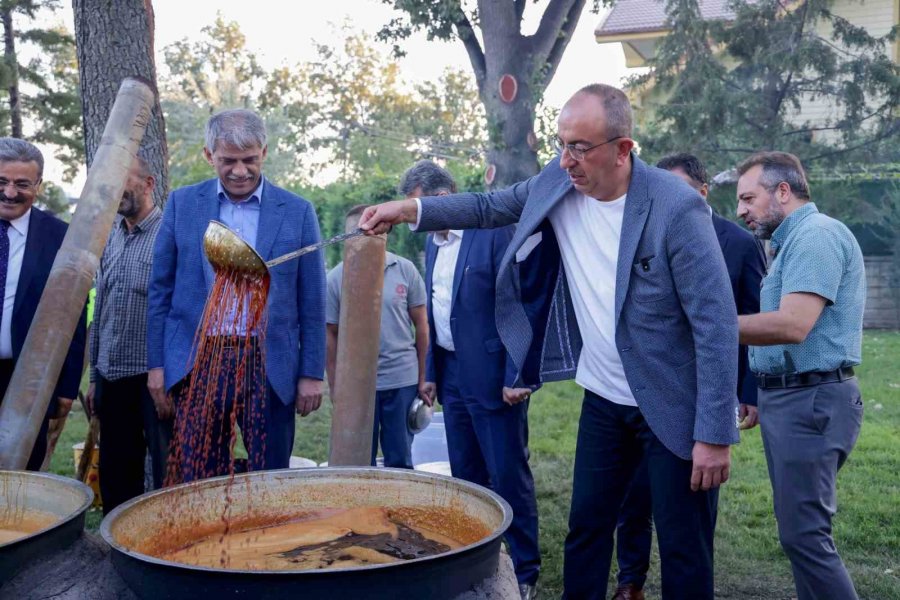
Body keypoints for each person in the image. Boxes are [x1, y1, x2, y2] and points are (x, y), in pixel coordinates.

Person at [360, 84, 740, 600]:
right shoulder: (556, 185)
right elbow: (489, 205)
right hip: (604, 397)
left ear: (624, 148)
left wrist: (715, 433)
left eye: (580, 147)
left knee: (682, 546)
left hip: (673, 401)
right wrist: (409, 211)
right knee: (586, 528)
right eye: (562, 144)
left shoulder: (674, 207)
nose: (567, 160)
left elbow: (716, 322)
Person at [609, 153, 767, 599]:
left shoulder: (737, 243)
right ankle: (630, 580)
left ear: (701, 192)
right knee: (633, 495)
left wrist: (747, 392)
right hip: (641, 388)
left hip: (700, 393)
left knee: (688, 510)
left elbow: (750, 317)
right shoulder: (638, 232)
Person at [147, 109, 325, 481]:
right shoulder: (182, 204)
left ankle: (269, 537)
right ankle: (208, 537)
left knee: (271, 473)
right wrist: (158, 366)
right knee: (200, 475)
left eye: (250, 160)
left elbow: (312, 300)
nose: (240, 171)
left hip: (267, 364)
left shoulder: (297, 211)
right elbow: (160, 291)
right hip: (199, 361)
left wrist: (311, 373)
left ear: (265, 151)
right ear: (209, 155)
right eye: (228, 160)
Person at [396, 160, 541, 599]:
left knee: (506, 471)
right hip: (453, 374)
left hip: (495, 375)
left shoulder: (493, 233)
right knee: (466, 472)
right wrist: (432, 374)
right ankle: (479, 559)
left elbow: (523, 304)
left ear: (443, 201)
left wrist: (520, 373)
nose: (415, 219)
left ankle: (524, 568)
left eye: (417, 207)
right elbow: (443, 309)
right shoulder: (435, 246)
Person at [736, 151, 865, 600]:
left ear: (783, 192)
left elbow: (793, 325)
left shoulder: (816, 236)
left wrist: (709, 326)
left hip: (810, 402)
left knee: (806, 537)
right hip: (791, 401)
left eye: (749, 198)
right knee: (800, 535)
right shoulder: (788, 242)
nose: (741, 210)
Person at [86, 156, 173, 513]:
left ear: (149, 183)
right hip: (112, 376)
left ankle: (172, 554)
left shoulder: (171, 235)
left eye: (123, 181)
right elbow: (102, 309)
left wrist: (168, 373)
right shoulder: (111, 236)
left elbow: (182, 313)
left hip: (156, 379)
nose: (115, 192)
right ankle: (118, 552)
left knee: (170, 472)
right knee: (116, 473)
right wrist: (95, 378)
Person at [0, 137, 85, 471]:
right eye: (2, 181)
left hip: (30, 380)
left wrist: (66, 388)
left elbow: (73, 315)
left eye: (22, 184)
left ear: (38, 185)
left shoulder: (60, 237)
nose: (9, 193)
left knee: (22, 479)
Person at [325, 204, 429, 469]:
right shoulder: (336, 279)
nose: (366, 237)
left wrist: (423, 378)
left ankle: (399, 511)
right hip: (356, 387)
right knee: (356, 462)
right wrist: (337, 387)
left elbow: (422, 325)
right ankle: (362, 510)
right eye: (358, 232)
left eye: (373, 231)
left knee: (400, 460)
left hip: (401, 380)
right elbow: (330, 335)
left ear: (384, 233)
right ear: (347, 237)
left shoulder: (404, 270)